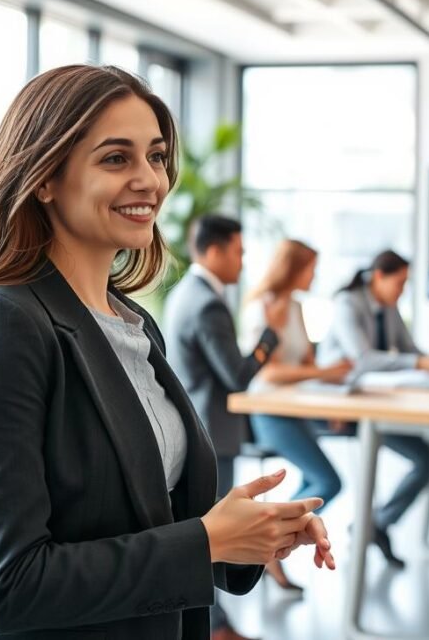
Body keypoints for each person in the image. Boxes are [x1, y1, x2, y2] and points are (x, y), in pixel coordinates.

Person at [0, 66, 333, 640]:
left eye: (155, 157)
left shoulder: (131, 322)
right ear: (44, 178)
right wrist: (208, 540)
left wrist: (251, 534)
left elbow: (152, 519)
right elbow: (9, 586)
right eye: (115, 159)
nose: (149, 180)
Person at [164, 215, 306, 637]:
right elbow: (238, 375)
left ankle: (215, 624)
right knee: (215, 536)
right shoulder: (207, 301)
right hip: (209, 433)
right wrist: (270, 335)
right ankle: (216, 626)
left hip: (201, 428)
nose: (243, 262)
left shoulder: (185, 293)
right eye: (238, 252)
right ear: (214, 250)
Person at [317, 250, 429, 568]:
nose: (402, 290)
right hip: (341, 405)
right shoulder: (348, 304)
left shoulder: (389, 309)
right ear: (379, 277)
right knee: (426, 457)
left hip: (377, 403)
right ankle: (372, 526)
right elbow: (363, 359)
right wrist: (419, 362)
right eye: (399, 283)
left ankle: (376, 524)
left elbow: (410, 350)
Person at [240, 240, 354, 591]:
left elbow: (304, 364)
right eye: (311, 269)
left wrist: (328, 398)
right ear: (293, 268)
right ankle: (269, 537)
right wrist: (324, 375)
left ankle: (271, 535)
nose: (315, 276)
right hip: (268, 410)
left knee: (327, 479)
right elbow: (268, 374)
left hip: (295, 406)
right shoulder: (261, 307)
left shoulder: (297, 307)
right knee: (328, 481)